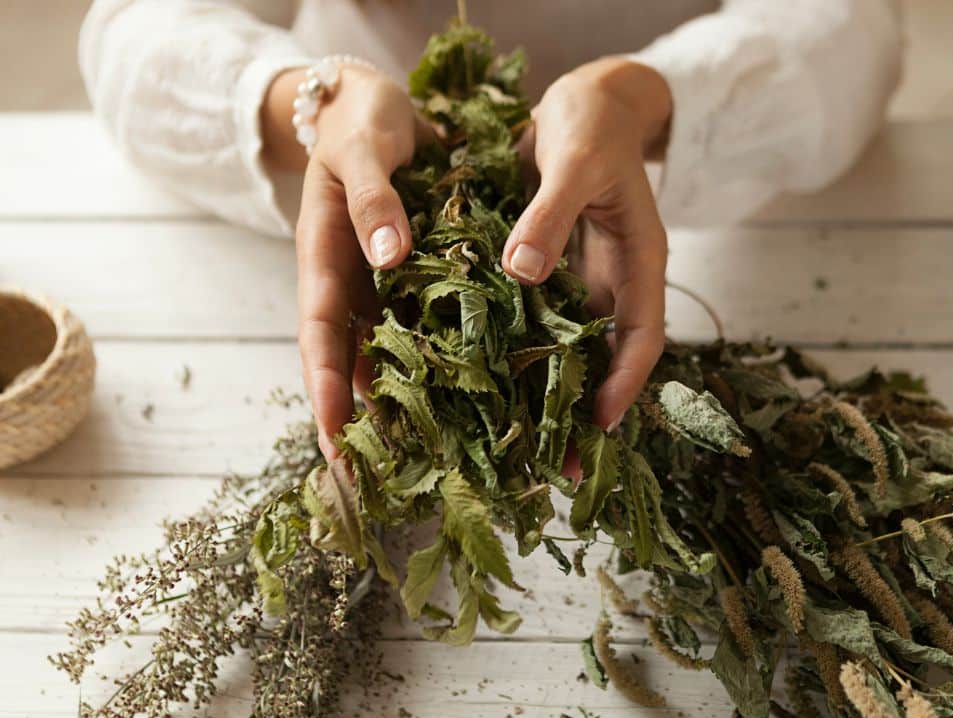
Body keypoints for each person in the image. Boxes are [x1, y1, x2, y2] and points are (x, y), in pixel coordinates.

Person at [80, 0, 903, 462]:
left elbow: (857, 26)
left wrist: (640, 99)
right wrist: (312, 99)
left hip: (649, 159)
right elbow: (126, 32)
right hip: (363, 165)